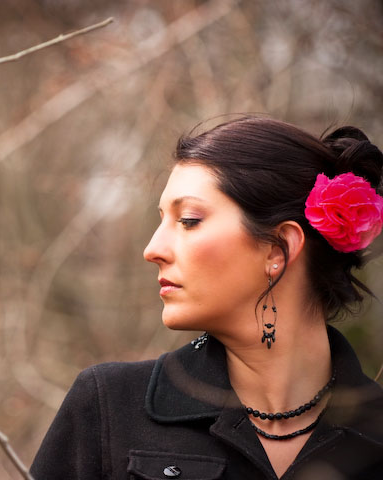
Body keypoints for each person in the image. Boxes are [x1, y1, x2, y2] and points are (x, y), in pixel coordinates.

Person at [29, 116, 383, 479]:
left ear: (279, 249)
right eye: (162, 219)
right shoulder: (109, 407)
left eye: (189, 220)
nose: (153, 249)